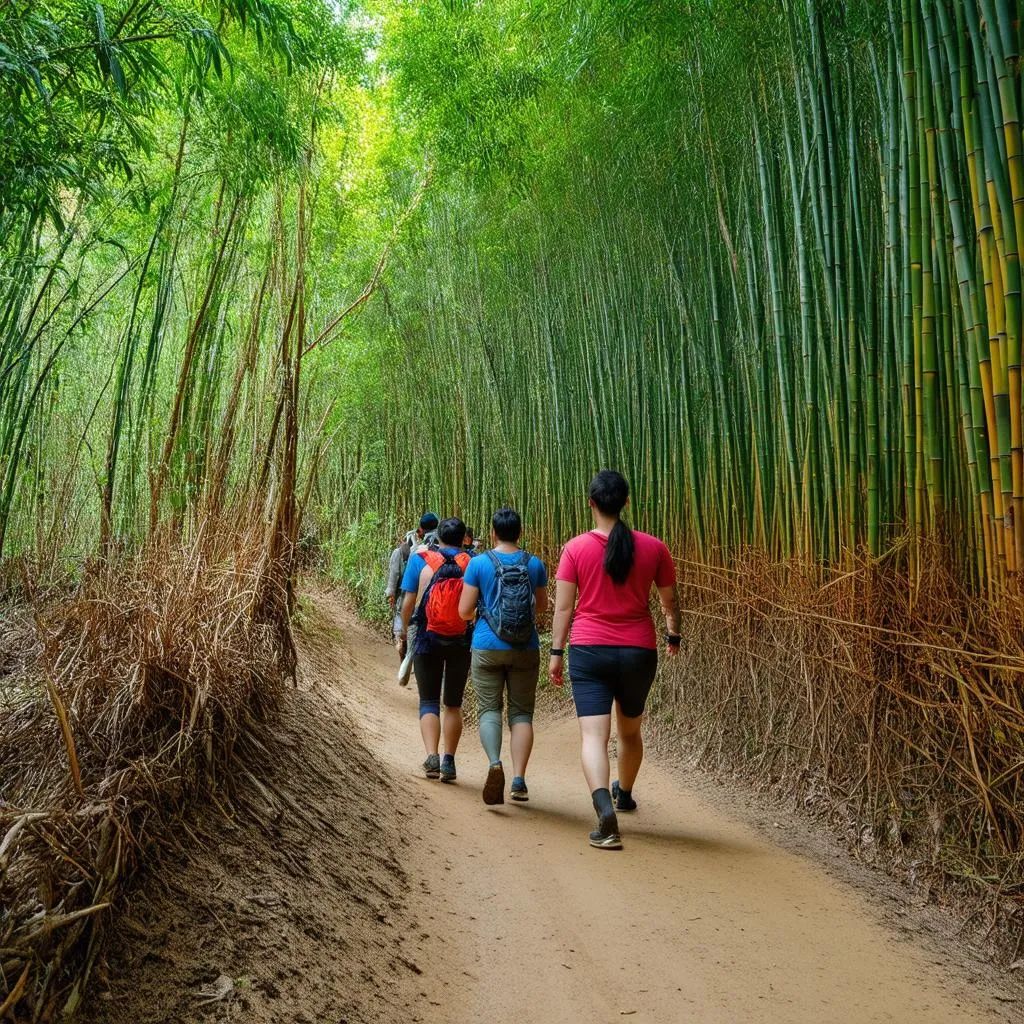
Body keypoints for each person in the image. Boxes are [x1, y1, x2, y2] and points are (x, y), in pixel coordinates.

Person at [549, 470, 680, 850]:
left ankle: (605, 810)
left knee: (594, 735)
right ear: (626, 503)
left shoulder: (575, 548)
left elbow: (563, 608)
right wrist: (673, 635)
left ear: (591, 503)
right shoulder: (655, 547)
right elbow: (669, 602)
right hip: (639, 651)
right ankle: (625, 795)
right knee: (629, 731)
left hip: (589, 650)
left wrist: (556, 653)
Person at [458, 507, 548, 805]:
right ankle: (519, 780)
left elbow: (464, 610)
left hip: (486, 646)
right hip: (525, 647)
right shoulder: (534, 564)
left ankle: (495, 763)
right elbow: (543, 607)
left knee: (489, 710)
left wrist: (485, 612)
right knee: (521, 714)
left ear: (493, 532)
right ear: (520, 533)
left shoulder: (478, 563)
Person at [399, 517, 473, 781]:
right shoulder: (474, 563)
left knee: (429, 699)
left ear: (437, 537)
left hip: (426, 637)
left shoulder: (420, 560)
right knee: (453, 703)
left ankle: (432, 756)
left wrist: (406, 632)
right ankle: (449, 761)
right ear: (465, 538)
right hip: (462, 639)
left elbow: (408, 603)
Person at [387, 512, 439, 686]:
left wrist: (392, 594)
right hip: (439, 604)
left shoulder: (416, 552)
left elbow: (396, 577)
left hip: (414, 600)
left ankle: (407, 658)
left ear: (420, 530)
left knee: (407, 633)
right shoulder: (444, 548)